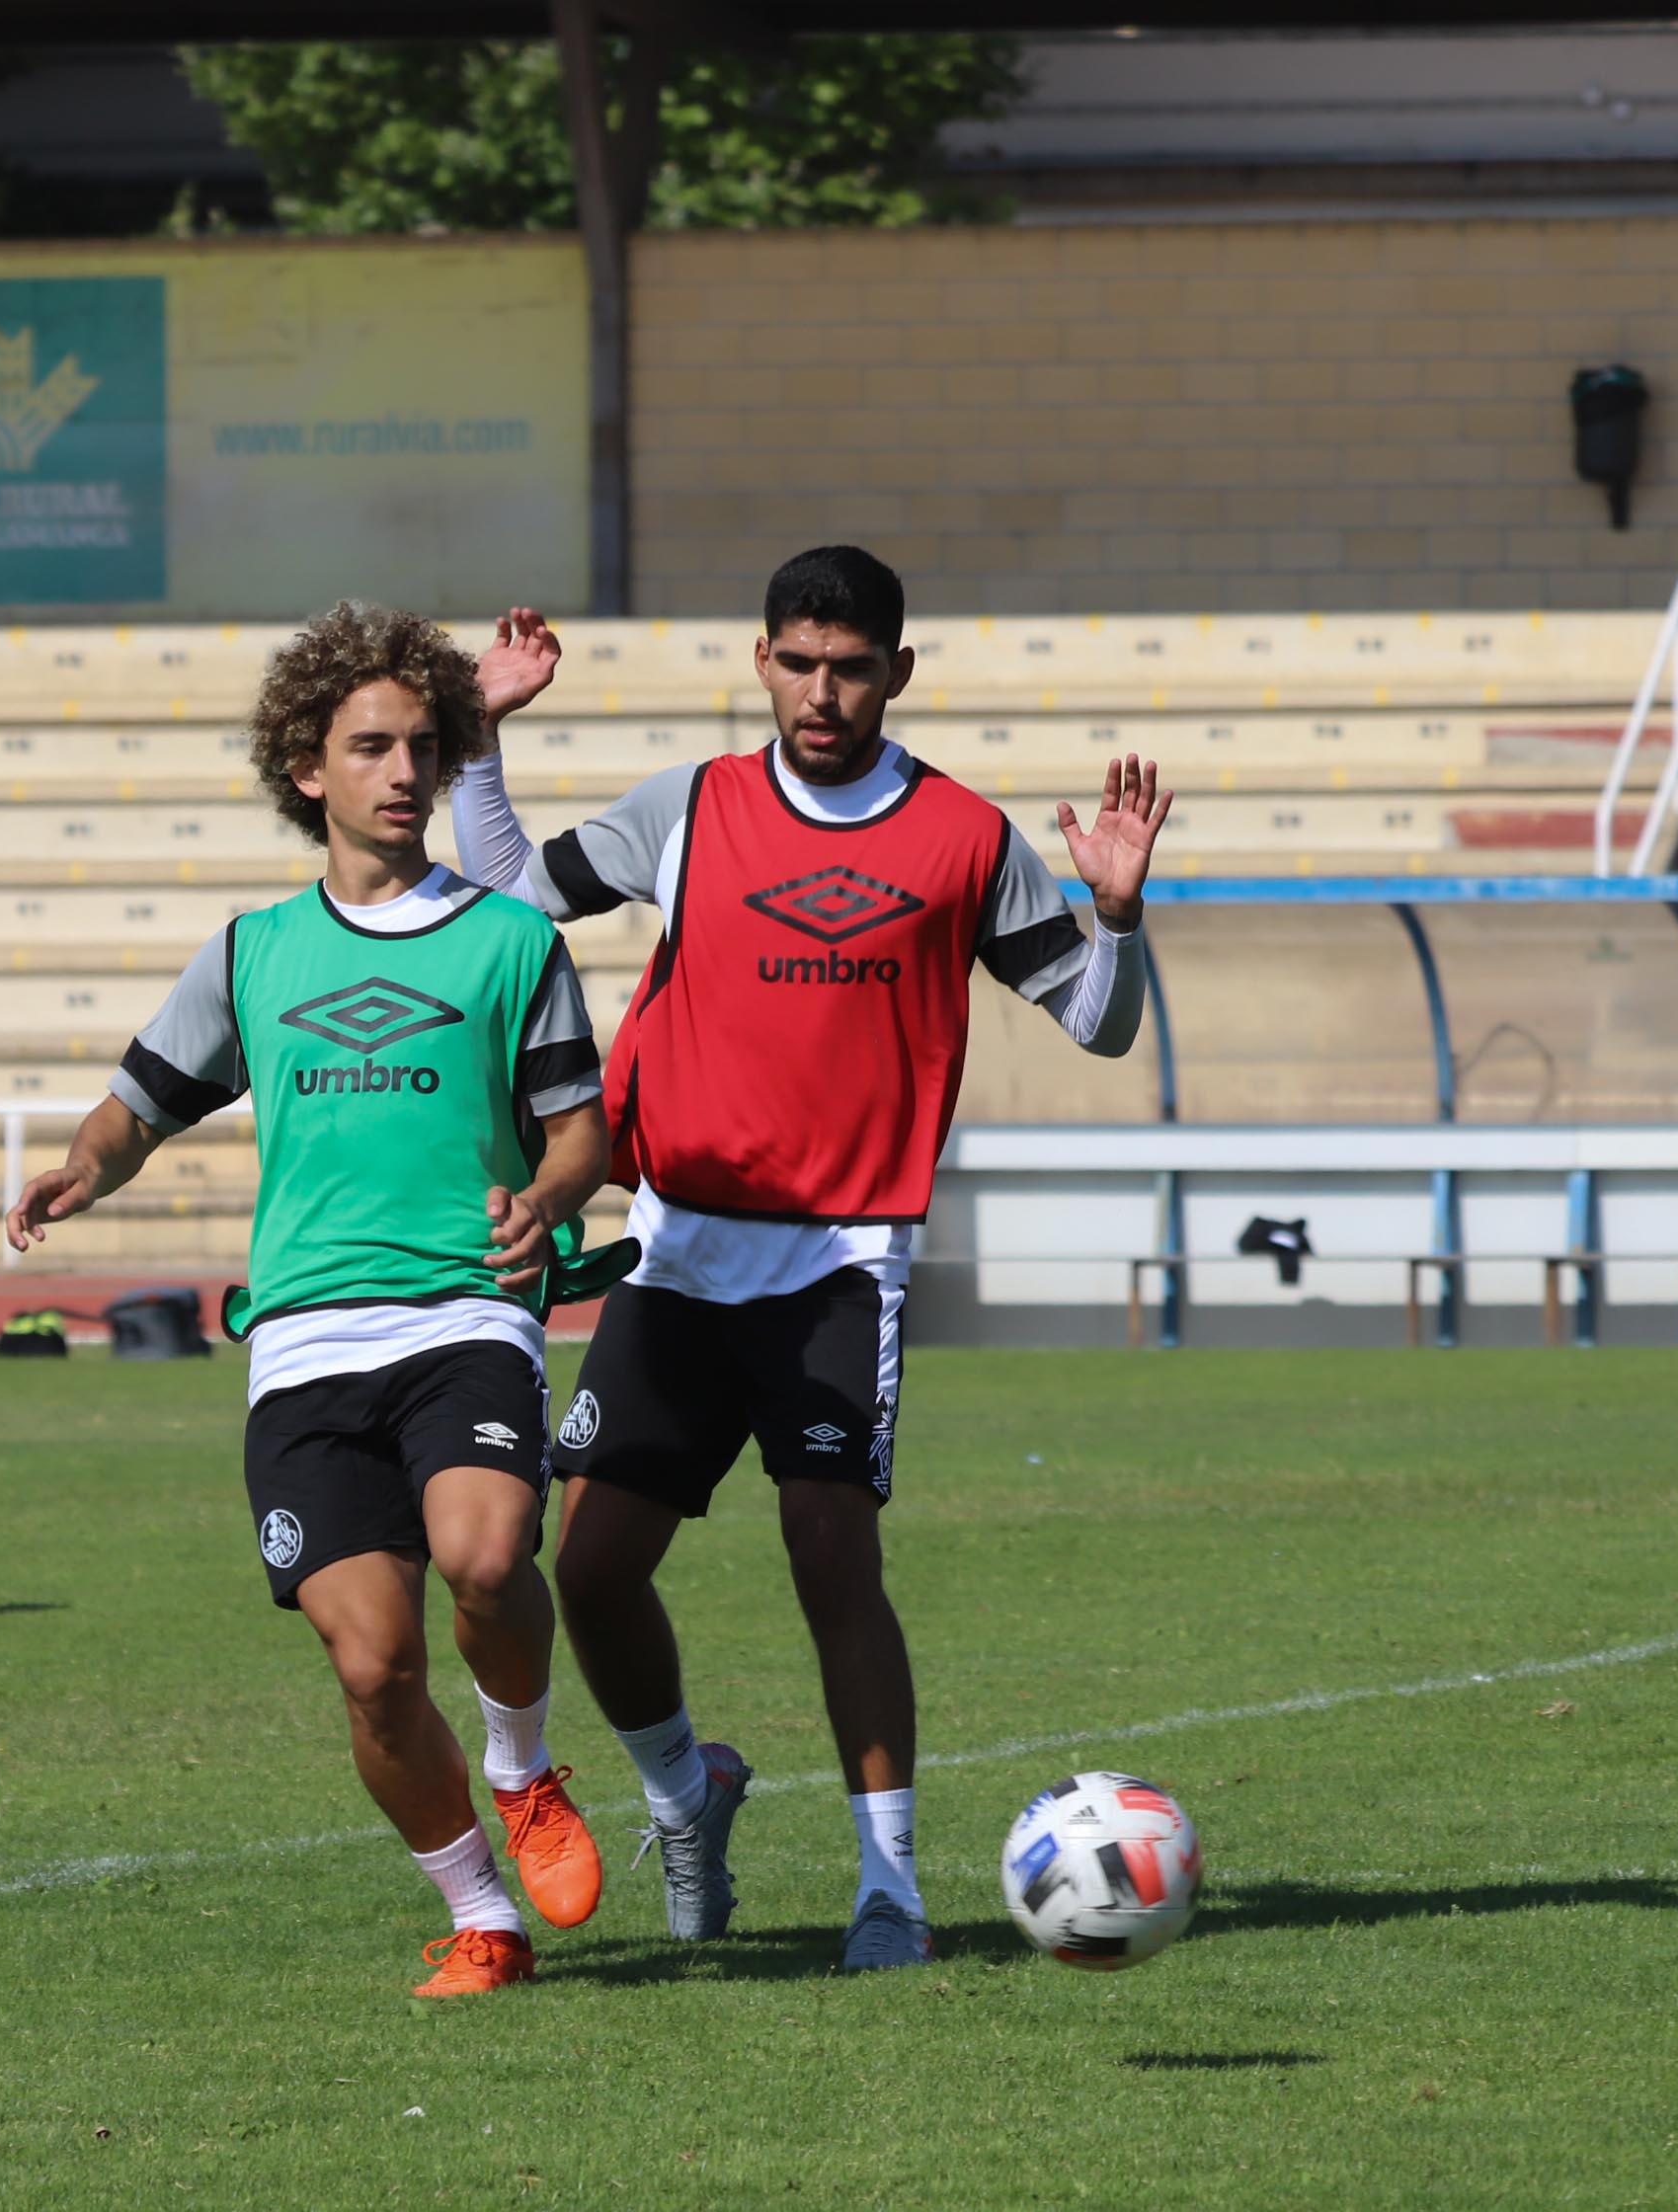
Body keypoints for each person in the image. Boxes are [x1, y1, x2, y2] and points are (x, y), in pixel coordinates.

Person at [453, 546, 1172, 1971]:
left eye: (849, 667)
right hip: (678, 1251)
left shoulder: (962, 838)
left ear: (896, 673)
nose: (820, 692)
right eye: (796, 662)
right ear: (764, 659)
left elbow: (1097, 1022)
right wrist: (479, 742)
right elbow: (511, 899)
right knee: (589, 1570)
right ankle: (684, 1795)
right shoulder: (694, 807)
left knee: (828, 1547)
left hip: (845, 1260)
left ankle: (888, 1889)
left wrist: (1118, 913)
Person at [8, 601, 616, 1998]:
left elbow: (580, 1128)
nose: (402, 773)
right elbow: (136, 1107)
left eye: (422, 746)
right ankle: (480, 1916)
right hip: (301, 1341)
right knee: (371, 1665)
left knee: (481, 1555)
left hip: (464, 1312)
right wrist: (77, 1172)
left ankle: (522, 1774)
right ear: (307, 768)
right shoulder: (251, 952)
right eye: (370, 747)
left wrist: (550, 1196)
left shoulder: (508, 941)